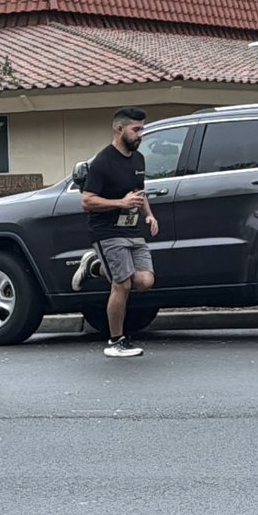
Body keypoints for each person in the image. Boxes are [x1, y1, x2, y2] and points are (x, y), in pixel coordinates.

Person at [78, 107, 159, 359]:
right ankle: (116, 341)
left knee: (144, 281)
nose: (140, 135)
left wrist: (149, 214)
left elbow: (139, 193)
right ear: (119, 129)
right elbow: (87, 201)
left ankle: (95, 265)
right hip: (107, 231)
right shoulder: (102, 162)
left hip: (132, 229)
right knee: (121, 284)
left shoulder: (138, 160)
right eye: (136, 130)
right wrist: (120, 203)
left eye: (142, 129)